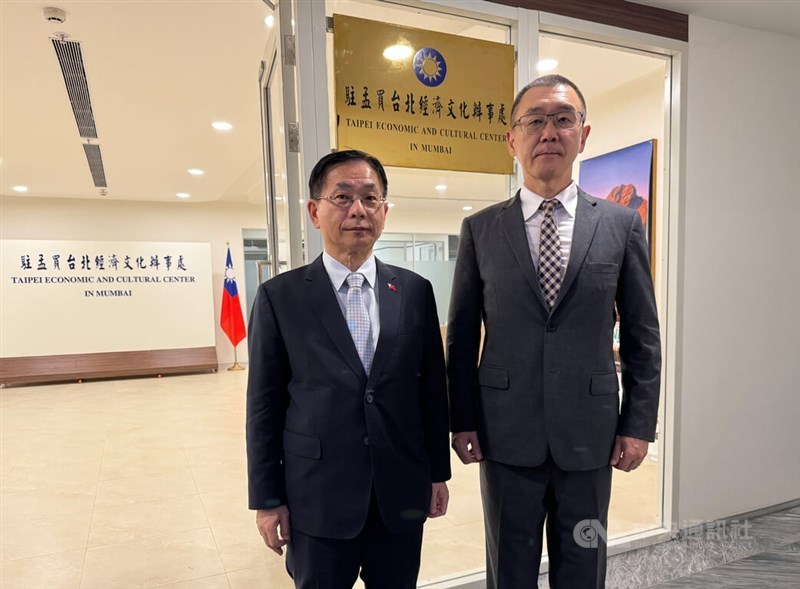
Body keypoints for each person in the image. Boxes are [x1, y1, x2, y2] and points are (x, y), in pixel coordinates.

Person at [446, 74, 661, 588]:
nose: (549, 131)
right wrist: (462, 419)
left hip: (590, 436)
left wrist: (638, 424)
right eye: (534, 120)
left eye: (563, 119)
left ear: (583, 135)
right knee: (510, 570)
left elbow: (641, 336)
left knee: (584, 563)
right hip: (504, 433)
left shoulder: (620, 225)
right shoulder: (481, 229)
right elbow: (460, 336)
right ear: (512, 139)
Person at [246, 149, 451, 589]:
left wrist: (438, 474)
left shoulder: (414, 291)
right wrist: (266, 499)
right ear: (314, 211)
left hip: (399, 495)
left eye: (370, 198)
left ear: (384, 211)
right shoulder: (279, 298)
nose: (358, 210)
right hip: (317, 499)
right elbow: (264, 407)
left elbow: (432, 391)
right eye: (342, 197)